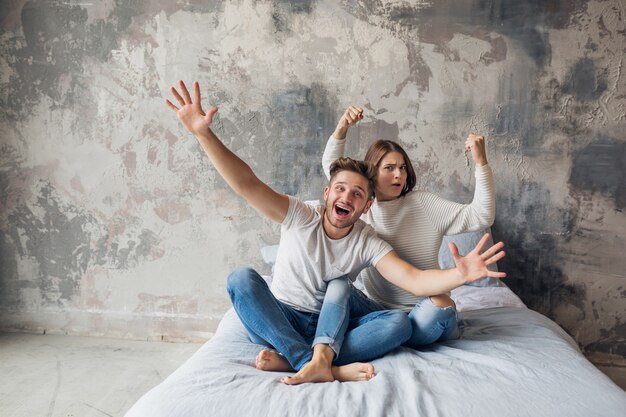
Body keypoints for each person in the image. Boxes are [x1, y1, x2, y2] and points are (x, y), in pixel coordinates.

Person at [165, 81, 506, 385]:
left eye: (357, 194)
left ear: (366, 206)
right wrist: (204, 134)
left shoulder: (367, 238)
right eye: (340, 189)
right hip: (279, 320)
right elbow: (247, 184)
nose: (347, 197)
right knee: (240, 279)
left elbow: (415, 281)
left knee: (389, 319)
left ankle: (309, 359)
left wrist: (458, 275)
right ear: (327, 193)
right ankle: (320, 364)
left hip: (333, 329)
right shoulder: (301, 214)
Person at [321, 105, 496, 347]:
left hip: (424, 309)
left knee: (438, 307)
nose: (399, 176)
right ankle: (334, 348)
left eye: (402, 168)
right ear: (372, 173)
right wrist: (342, 129)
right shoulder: (362, 207)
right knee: (337, 286)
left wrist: (481, 163)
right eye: (389, 168)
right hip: (380, 312)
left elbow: (482, 216)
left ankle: (387, 337)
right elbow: (335, 171)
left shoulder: (423, 203)